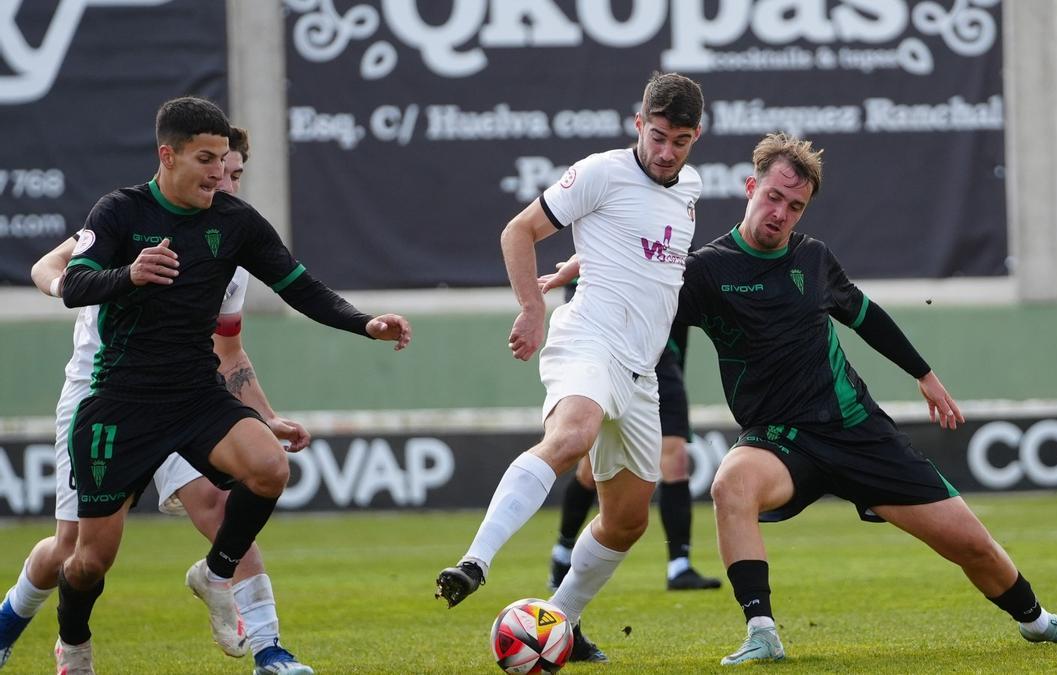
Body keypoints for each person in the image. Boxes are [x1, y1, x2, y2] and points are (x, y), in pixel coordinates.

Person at [542, 132, 1057, 666]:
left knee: (971, 543)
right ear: (751, 188)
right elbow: (641, 274)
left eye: (794, 207)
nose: (780, 214)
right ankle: (761, 632)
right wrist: (579, 273)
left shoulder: (813, 260)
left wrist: (925, 374)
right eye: (773, 198)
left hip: (856, 431)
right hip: (779, 441)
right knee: (729, 485)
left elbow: (866, 316)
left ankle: (1038, 621)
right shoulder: (708, 272)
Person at [47, 97, 411, 674]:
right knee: (89, 560)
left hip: (195, 392)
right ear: (168, 156)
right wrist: (130, 275)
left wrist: (362, 322)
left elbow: (300, 285)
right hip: (120, 401)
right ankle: (73, 645)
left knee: (270, 468)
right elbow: (73, 283)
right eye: (206, 159)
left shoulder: (234, 221)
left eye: (225, 161)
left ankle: (216, 574)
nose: (219, 173)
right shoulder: (119, 211)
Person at [0, 127, 316, 675]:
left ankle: (269, 650)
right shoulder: (128, 218)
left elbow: (229, 350)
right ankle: (11, 624)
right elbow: (47, 269)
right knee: (75, 552)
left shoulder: (233, 243)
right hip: (102, 396)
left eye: (236, 173)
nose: (224, 181)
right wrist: (85, 287)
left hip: (183, 395)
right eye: (217, 167)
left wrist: (265, 418)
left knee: (223, 512)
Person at [435, 72, 705, 663]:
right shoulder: (601, 170)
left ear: (696, 137)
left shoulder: (690, 187)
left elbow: (632, 237)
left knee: (627, 522)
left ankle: (561, 618)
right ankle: (475, 561)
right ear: (639, 124)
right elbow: (519, 230)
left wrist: (576, 261)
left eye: (679, 141)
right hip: (588, 339)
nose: (665, 152)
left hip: (642, 371)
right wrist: (533, 308)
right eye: (657, 136)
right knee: (571, 435)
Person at [547, 282, 720, 592]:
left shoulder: (679, 241)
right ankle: (563, 552)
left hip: (661, 364)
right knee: (589, 472)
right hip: (612, 359)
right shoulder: (605, 246)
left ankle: (679, 566)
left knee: (676, 459)